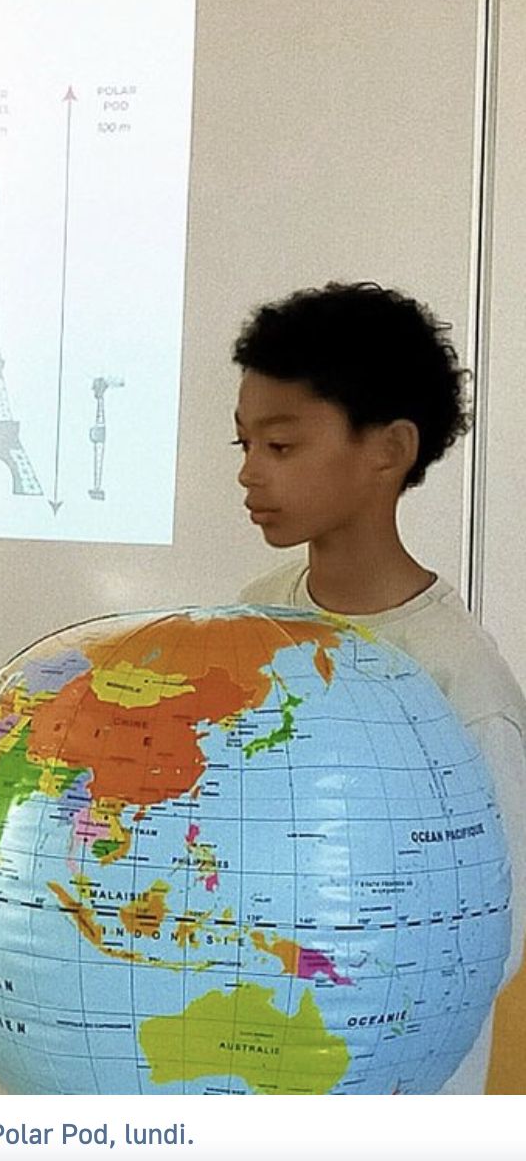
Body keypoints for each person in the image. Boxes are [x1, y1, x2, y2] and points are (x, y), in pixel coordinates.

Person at [232, 281, 524, 1092]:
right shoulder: (254, 619)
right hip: (247, 1058)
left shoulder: (460, 682)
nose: (249, 472)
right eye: (243, 443)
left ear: (389, 450)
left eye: (280, 446)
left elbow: (490, 934)